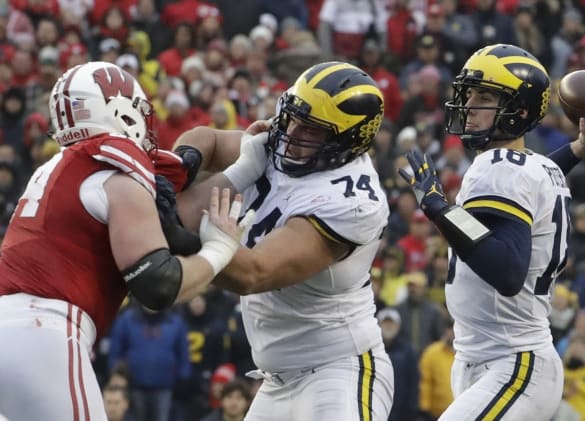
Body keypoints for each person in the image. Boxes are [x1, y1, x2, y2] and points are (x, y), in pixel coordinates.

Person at [0, 62, 254, 421]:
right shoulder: (114, 174)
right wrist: (221, 248)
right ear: (119, 110)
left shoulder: (58, 168)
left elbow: (179, 172)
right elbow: (159, 283)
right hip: (46, 336)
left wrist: (254, 160)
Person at [399, 44, 585, 420]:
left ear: (518, 111)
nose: (470, 105)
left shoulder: (498, 167)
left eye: (485, 96)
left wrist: (437, 207)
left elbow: (507, 270)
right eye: (470, 93)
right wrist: (579, 148)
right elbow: (531, 177)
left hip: (512, 362)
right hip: (499, 358)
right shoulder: (535, 167)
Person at [168, 61, 394, 420]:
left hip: (336, 371)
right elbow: (206, 138)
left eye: (311, 129)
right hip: (275, 380)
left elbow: (255, 273)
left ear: (348, 140)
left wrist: (184, 236)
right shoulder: (287, 144)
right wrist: (184, 164)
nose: (292, 132)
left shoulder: (351, 200)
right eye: (292, 118)